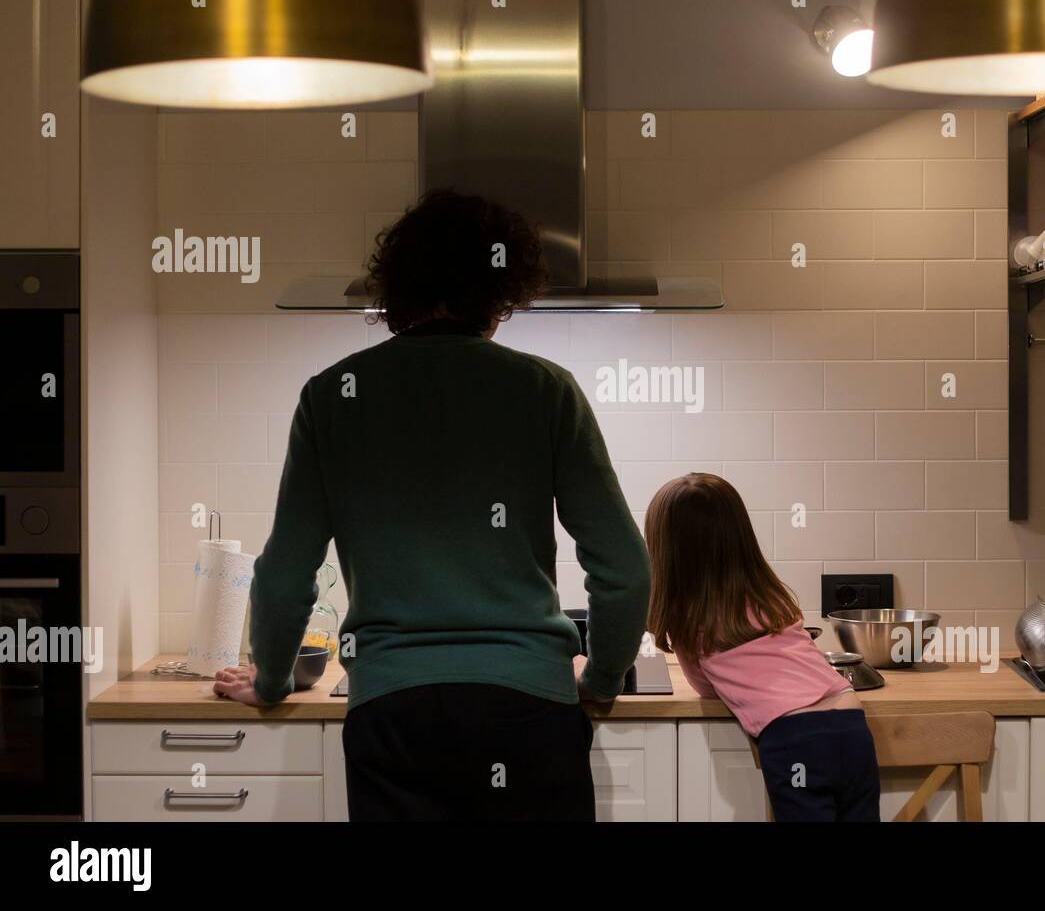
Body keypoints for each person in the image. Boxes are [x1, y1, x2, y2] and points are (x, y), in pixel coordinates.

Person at [212, 189, 650, 822]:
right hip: (530, 713)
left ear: (400, 285)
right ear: (502, 292)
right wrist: (601, 680)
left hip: (395, 713)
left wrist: (273, 680)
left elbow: (284, 573)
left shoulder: (332, 397)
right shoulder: (546, 390)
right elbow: (625, 569)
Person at [644, 472, 880, 821]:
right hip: (850, 722)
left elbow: (705, 689)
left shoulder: (690, 619)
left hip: (795, 740)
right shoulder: (771, 597)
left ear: (668, 552)